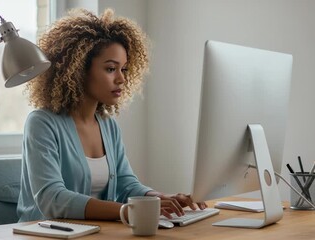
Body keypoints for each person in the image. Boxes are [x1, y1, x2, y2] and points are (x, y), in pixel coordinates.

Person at [17, 8, 206, 222]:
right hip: (46, 233)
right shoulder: (42, 123)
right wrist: (125, 211)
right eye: (110, 69)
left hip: (95, 232)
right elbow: (52, 199)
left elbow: (126, 184)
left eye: (124, 69)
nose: (121, 79)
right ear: (79, 70)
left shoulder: (108, 125)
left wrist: (160, 199)